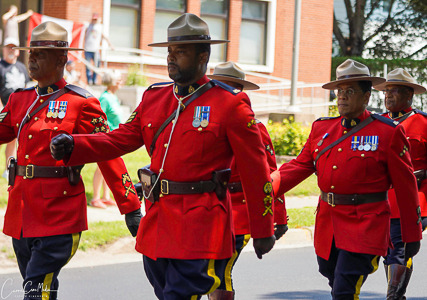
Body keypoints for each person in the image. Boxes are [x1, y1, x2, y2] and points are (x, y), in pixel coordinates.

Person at [50, 13, 276, 300]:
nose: (171, 58)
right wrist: (76, 144)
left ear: (203, 55)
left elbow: (256, 170)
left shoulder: (229, 103)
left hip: (201, 225)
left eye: (180, 52)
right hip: (158, 222)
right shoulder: (155, 98)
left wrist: (263, 228)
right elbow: (119, 139)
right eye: (169, 51)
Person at [0, 21, 141, 300]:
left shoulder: (81, 102)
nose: (32, 59)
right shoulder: (20, 99)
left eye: (40, 54)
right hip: (22, 214)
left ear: (62, 59)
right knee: (37, 288)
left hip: (58, 215)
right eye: (31, 53)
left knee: (36, 291)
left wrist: (130, 206)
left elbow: (106, 150)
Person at [271, 59, 423, 299]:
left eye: (349, 91)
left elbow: (406, 187)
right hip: (328, 225)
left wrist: (411, 235)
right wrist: (262, 188)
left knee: (344, 289)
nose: (341, 96)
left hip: (365, 224)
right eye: (339, 91)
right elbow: (298, 166)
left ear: (366, 96)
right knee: (335, 282)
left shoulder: (387, 132)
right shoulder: (322, 129)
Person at [206, 61, 288, 299]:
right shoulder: (204, 122)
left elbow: (269, 174)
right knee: (206, 273)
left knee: (221, 272)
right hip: (209, 208)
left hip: (238, 212)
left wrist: (278, 218)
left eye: (228, 87)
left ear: (238, 90)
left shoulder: (254, 127)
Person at [374, 68, 427, 299]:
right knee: (389, 251)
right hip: (381, 198)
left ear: (409, 95)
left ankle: (394, 296)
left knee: (399, 248)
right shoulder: (375, 123)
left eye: (394, 91)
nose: (388, 96)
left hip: (416, 196)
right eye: (386, 91)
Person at [91, 70, 123, 208]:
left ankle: (106, 196)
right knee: (101, 167)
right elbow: (98, 117)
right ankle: (95, 198)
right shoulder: (104, 98)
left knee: (110, 167)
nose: (121, 81)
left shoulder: (113, 96)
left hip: (114, 137)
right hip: (106, 137)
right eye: (118, 79)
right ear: (112, 81)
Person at [0, 36, 30, 179]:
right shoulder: (0, 66)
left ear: (18, 51)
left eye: (14, 47)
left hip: (19, 111)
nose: (11, 50)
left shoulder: (22, 67)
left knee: (13, 140)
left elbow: (25, 88)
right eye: (8, 47)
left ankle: (7, 169)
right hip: (2, 109)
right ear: (3, 49)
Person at [84, 13, 114, 85]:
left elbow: (104, 36)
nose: (94, 21)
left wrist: (110, 45)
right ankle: (89, 81)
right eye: (93, 19)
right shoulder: (88, 26)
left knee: (97, 65)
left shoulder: (100, 27)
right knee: (88, 66)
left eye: (96, 19)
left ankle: (94, 80)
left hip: (95, 49)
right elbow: (83, 34)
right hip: (87, 49)